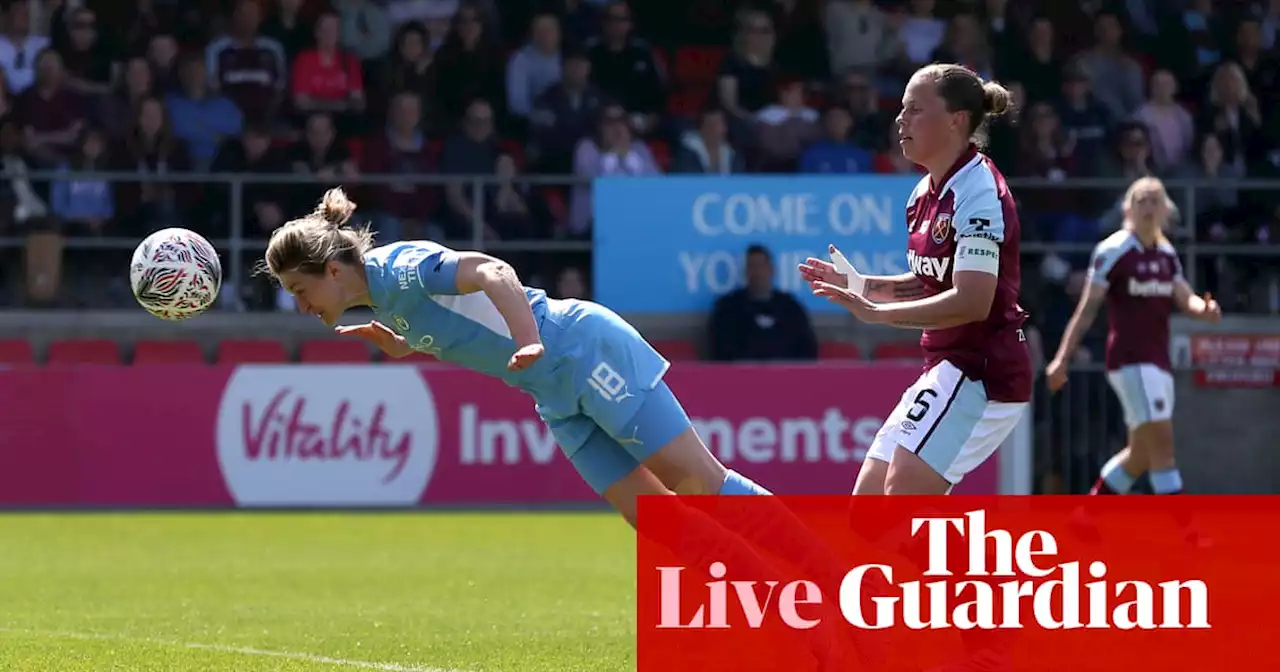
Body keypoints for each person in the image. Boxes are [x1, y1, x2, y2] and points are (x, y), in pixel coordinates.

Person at [261, 187, 887, 668]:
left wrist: (529, 341)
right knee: (655, 518)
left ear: (332, 270)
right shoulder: (380, 298)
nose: (299, 305)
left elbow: (494, 273)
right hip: (554, 396)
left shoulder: (402, 268)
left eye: (298, 288)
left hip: (582, 351)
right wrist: (400, 347)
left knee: (699, 482)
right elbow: (454, 326)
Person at [799, 63, 1031, 497]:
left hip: (983, 371)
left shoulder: (979, 191)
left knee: (900, 501)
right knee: (868, 513)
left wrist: (878, 314)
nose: (900, 120)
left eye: (915, 110)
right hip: (947, 367)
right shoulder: (924, 193)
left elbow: (972, 301)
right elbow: (931, 280)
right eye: (902, 109)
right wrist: (865, 286)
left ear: (957, 121)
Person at [1046, 177, 1221, 506]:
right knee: (1162, 446)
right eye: (1141, 200)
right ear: (1128, 208)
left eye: (1155, 200)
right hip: (1130, 361)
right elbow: (1086, 311)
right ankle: (1187, 534)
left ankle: (1087, 515)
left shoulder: (1167, 252)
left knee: (1139, 452)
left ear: (1166, 210)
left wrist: (1205, 309)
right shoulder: (1114, 250)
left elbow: (1186, 297)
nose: (1149, 207)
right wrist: (1061, 359)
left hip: (1158, 361)